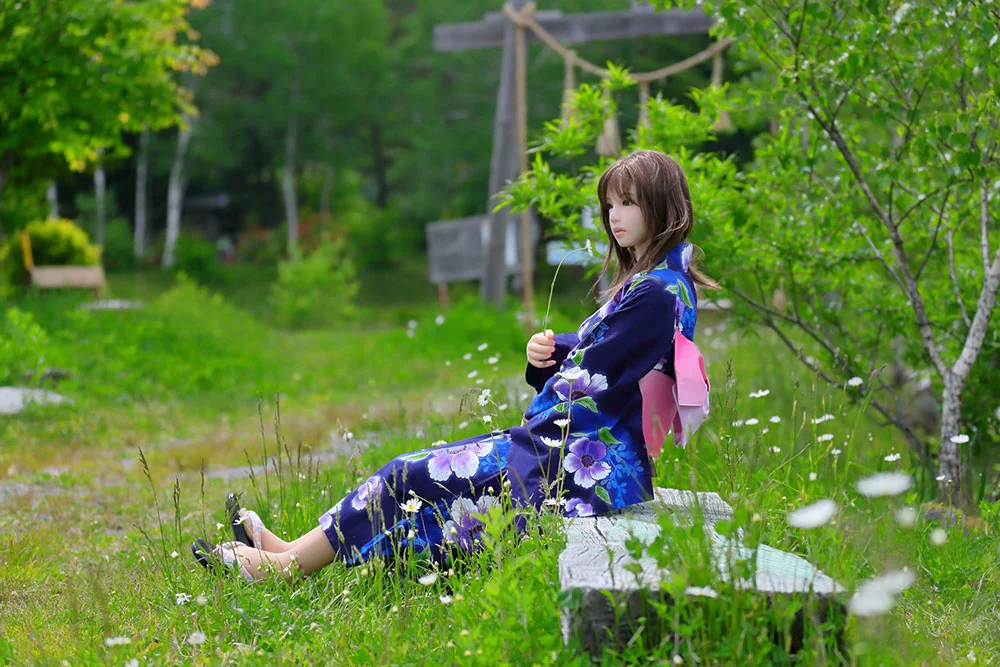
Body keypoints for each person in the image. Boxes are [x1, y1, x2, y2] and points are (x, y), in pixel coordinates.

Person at [191, 149, 718, 582]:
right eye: (609, 205)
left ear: (663, 206)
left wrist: (561, 360)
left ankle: (284, 569)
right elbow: (603, 356)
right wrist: (552, 351)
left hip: (579, 465)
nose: (613, 216)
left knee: (409, 475)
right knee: (411, 471)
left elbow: (596, 376)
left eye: (627, 203)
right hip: (582, 450)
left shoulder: (655, 291)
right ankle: (289, 553)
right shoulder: (659, 284)